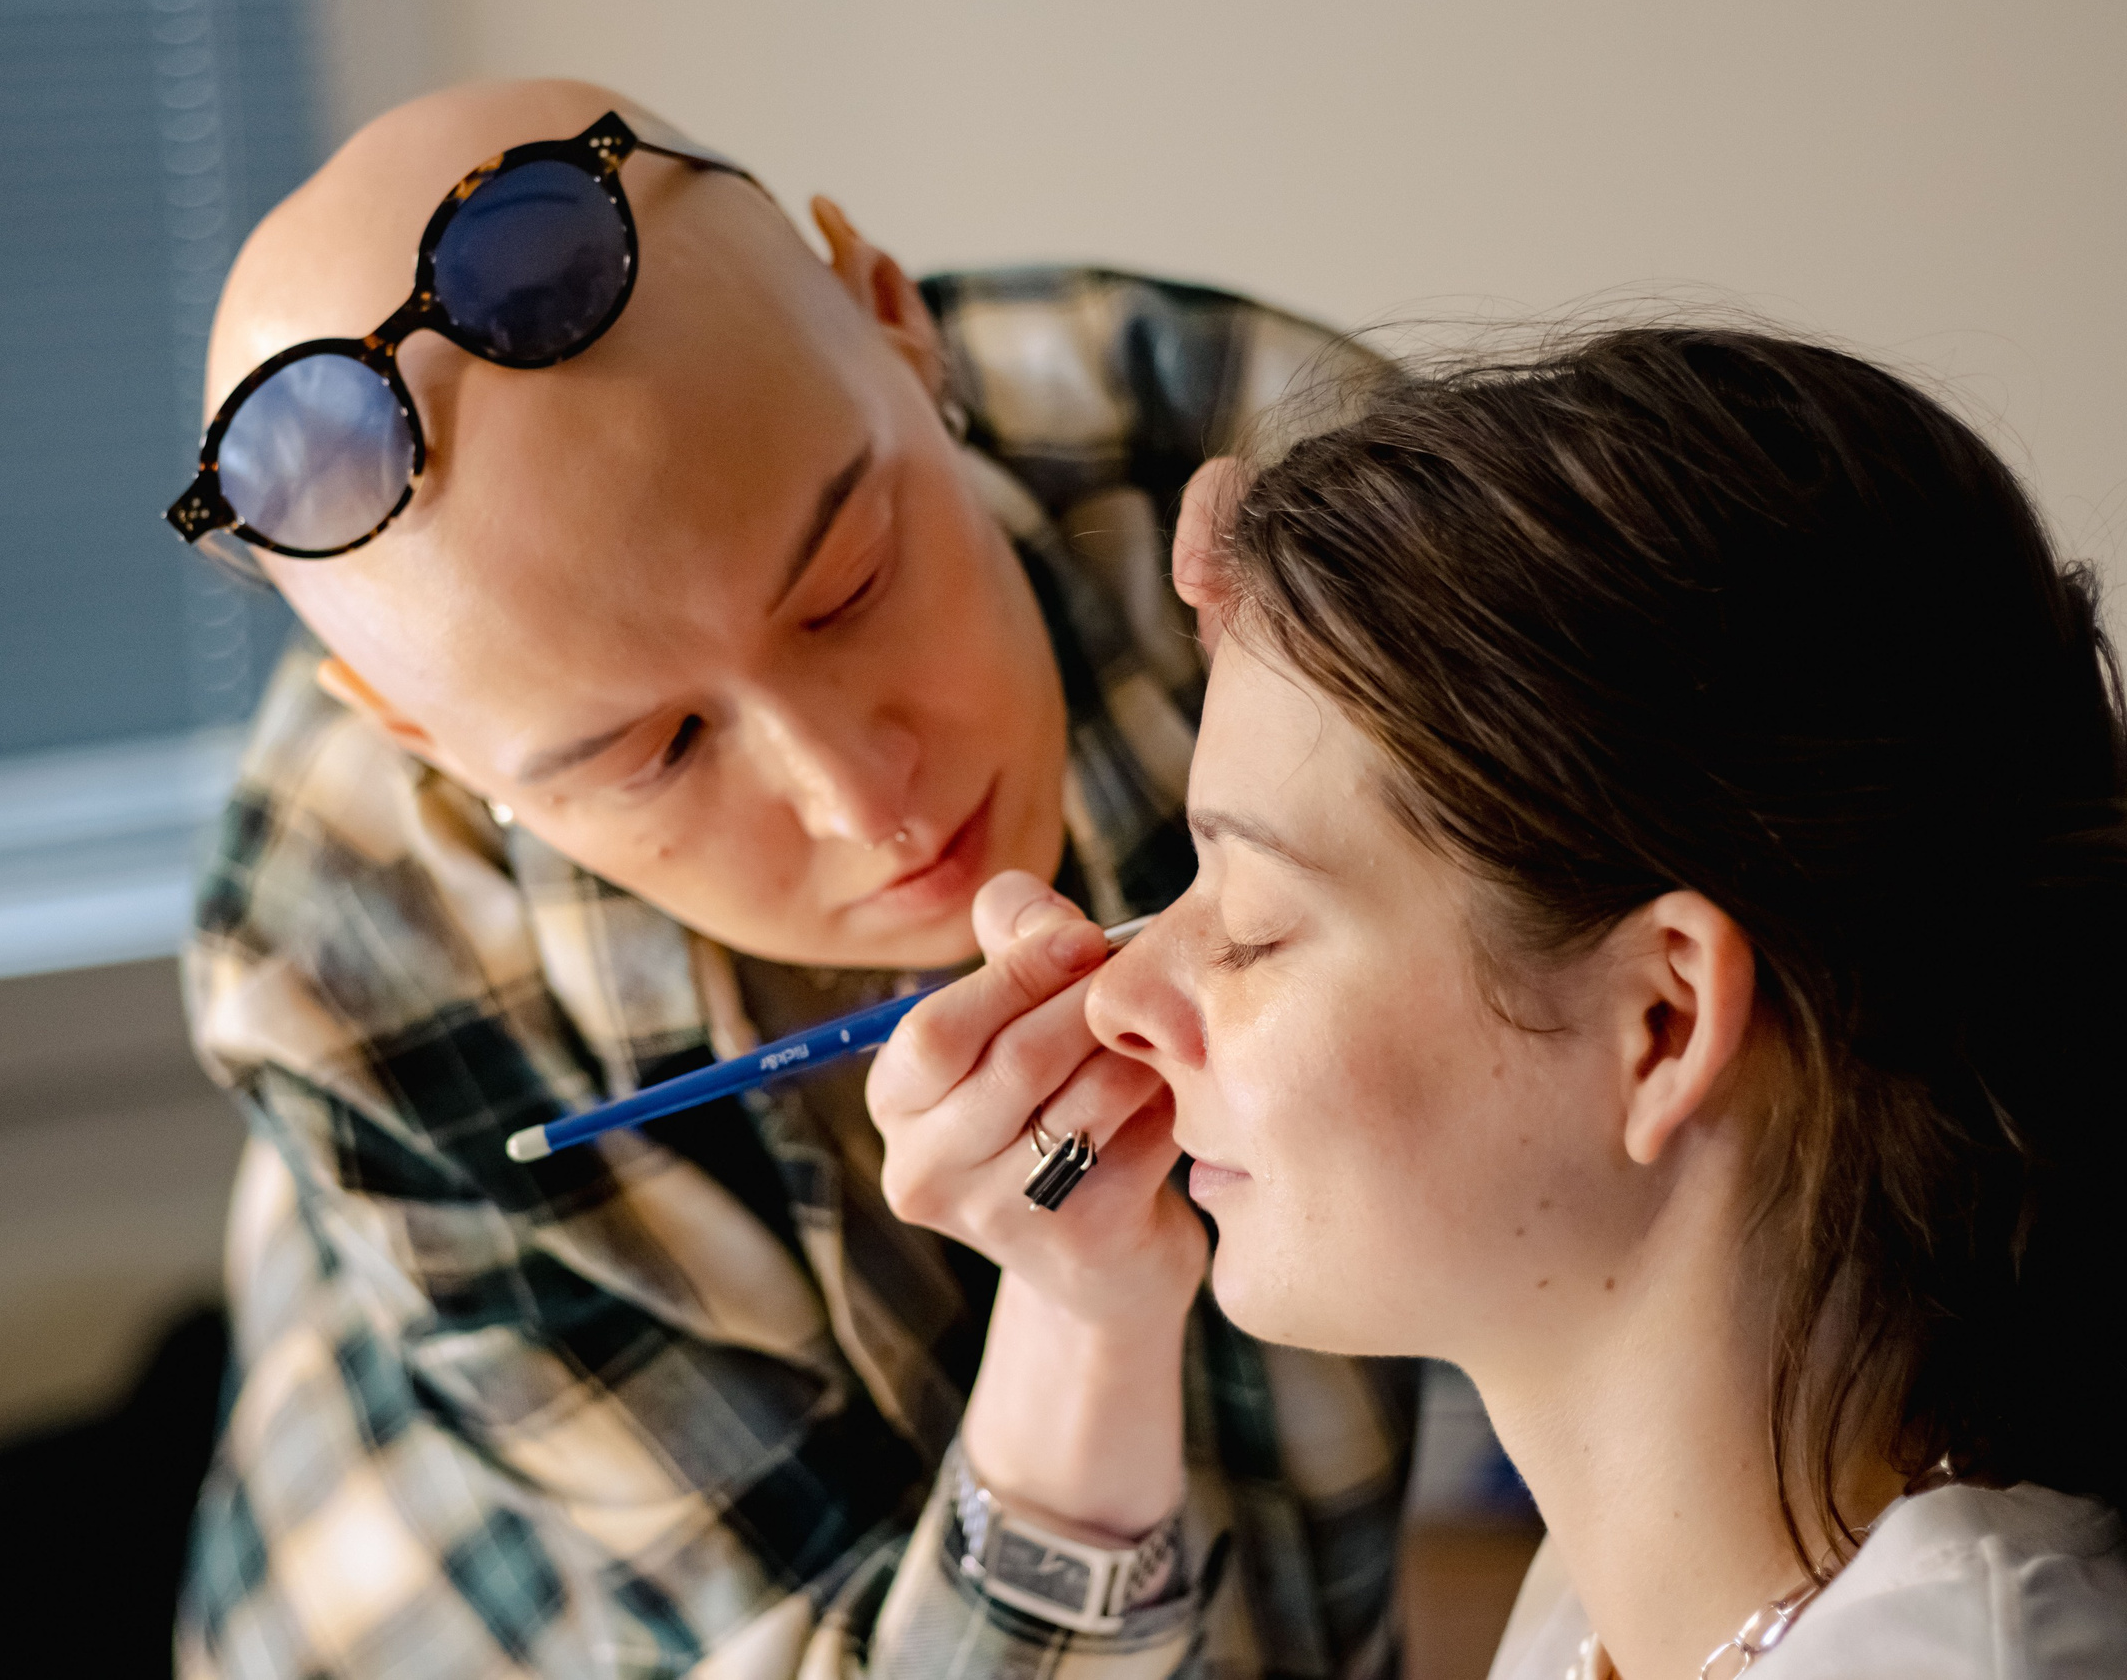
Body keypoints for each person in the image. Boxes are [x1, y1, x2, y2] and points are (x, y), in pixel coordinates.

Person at [171, 77, 1415, 1678]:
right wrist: (1084, 1319)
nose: (863, 801)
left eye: (850, 586)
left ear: (896, 322)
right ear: (432, 747)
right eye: (655, 755)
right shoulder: (335, 962)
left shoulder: (1266, 466)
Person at [872, 323, 2127, 1678]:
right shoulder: (1628, 1619)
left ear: (1659, 1022)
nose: (1122, 995)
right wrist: (1085, 1310)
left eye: (1248, 922)